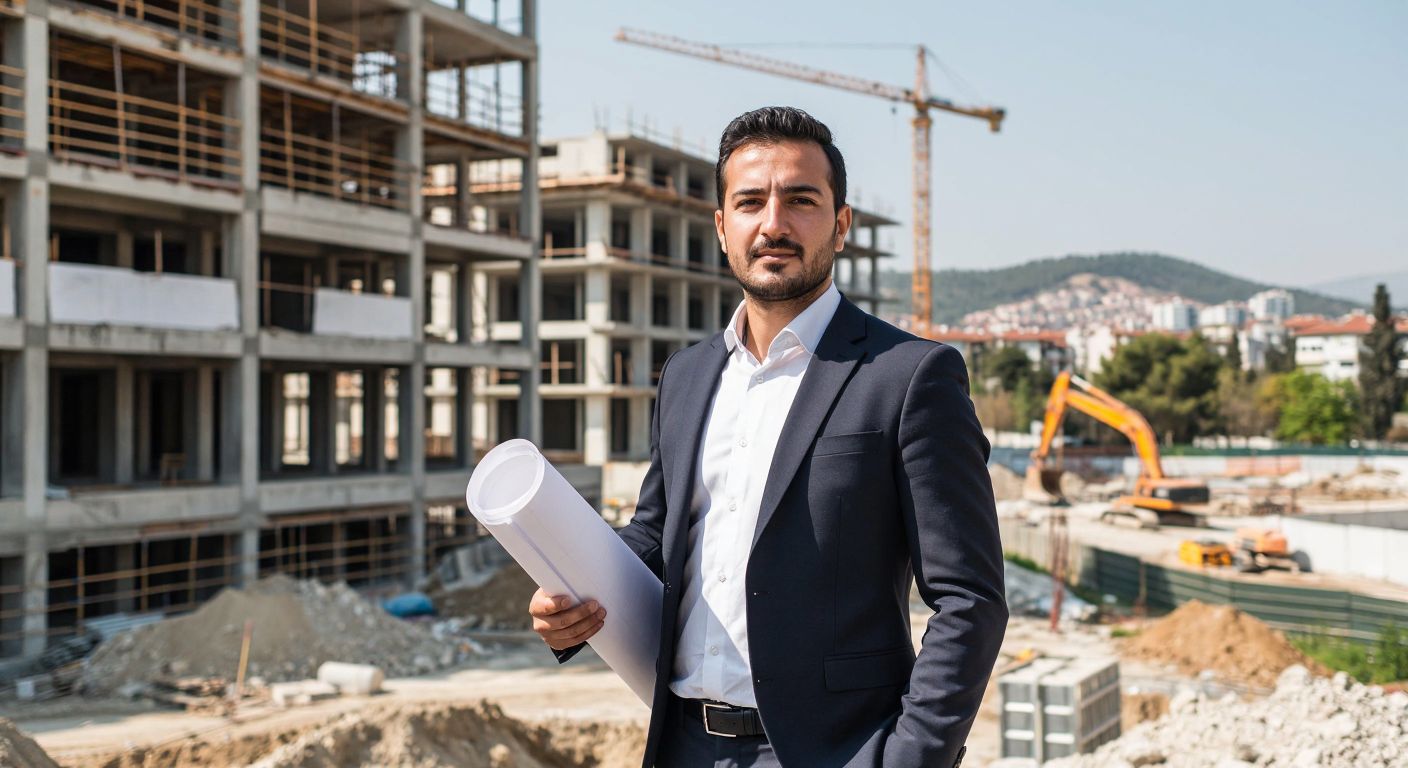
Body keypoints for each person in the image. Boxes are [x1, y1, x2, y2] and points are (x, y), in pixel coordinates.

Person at [527, 106, 1007, 768]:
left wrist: (907, 760)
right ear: (723, 228)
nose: (773, 224)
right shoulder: (688, 375)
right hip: (684, 745)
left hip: (838, 753)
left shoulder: (908, 377)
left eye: (801, 201)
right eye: (750, 202)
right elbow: (656, 537)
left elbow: (970, 601)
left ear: (840, 225)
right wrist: (573, 597)